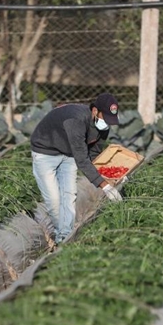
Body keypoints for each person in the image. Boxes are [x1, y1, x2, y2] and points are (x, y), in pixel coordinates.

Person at [30, 93, 124, 244]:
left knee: (69, 194)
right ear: (95, 111)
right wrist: (105, 186)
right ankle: (61, 233)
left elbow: (94, 154)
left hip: (69, 153)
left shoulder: (103, 126)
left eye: (110, 120)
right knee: (54, 199)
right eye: (105, 118)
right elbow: (82, 159)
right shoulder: (76, 120)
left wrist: (113, 173)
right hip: (45, 153)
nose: (107, 124)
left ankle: (64, 238)